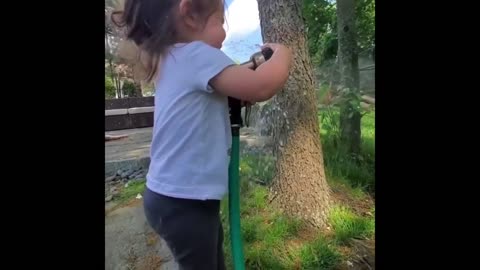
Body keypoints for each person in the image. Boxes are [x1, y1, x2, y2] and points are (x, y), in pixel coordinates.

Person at [112, 0, 292, 269]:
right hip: (185, 202)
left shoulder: (172, 59)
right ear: (190, 16)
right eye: (220, 21)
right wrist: (285, 53)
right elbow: (262, 86)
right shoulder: (197, 55)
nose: (224, 32)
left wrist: (237, 89)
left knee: (209, 257)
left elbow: (222, 88)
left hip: (170, 198)